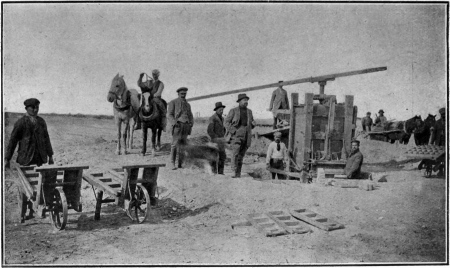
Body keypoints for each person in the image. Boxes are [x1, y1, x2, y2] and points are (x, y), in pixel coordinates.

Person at [5, 98, 54, 220]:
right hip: (25, 159)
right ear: (27, 108)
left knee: (37, 185)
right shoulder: (21, 122)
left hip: (39, 159)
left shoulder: (41, 122)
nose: (36, 110)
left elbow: (46, 139)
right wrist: (7, 158)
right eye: (33, 108)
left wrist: (50, 155)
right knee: (24, 188)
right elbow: (13, 141)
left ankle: (34, 209)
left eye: (37, 107)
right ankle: (23, 213)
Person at [224, 93, 256, 178]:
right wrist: (233, 131)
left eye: (247, 100)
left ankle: (238, 173)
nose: (246, 102)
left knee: (241, 155)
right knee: (235, 153)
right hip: (236, 135)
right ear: (239, 101)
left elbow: (251, 124)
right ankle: (233, 171)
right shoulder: (233, 111)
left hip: (246, 135)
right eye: (244, 100)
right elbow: (226, 122)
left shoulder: (249, 112)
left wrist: (253, 124)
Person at [167, 87, 194, 170]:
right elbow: (169, 115)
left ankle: (180, 163)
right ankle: (172, 163)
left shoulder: (188, 104)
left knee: (183, 145)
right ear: (178, 94)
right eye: (182, 94)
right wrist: (174, 123)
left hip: (186, 126)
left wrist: (191, 123)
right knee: (175, 144)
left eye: (185, 94)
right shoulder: (173, 102)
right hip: (178, 126)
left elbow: (190, 115)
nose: (183, 95)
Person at [207, 102, 227, 175]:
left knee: (222, 156)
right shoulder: (212, 118)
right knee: (214, 157)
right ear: (216, 110)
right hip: (214, 141)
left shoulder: (222, 118)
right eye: (220, 110)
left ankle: (221, 173)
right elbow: (209, 131)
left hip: (221, 141)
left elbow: (223, 129)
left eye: (222, 110)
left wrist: (223, 135)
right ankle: (214, 172)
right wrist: (216, 138)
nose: (221, 111)